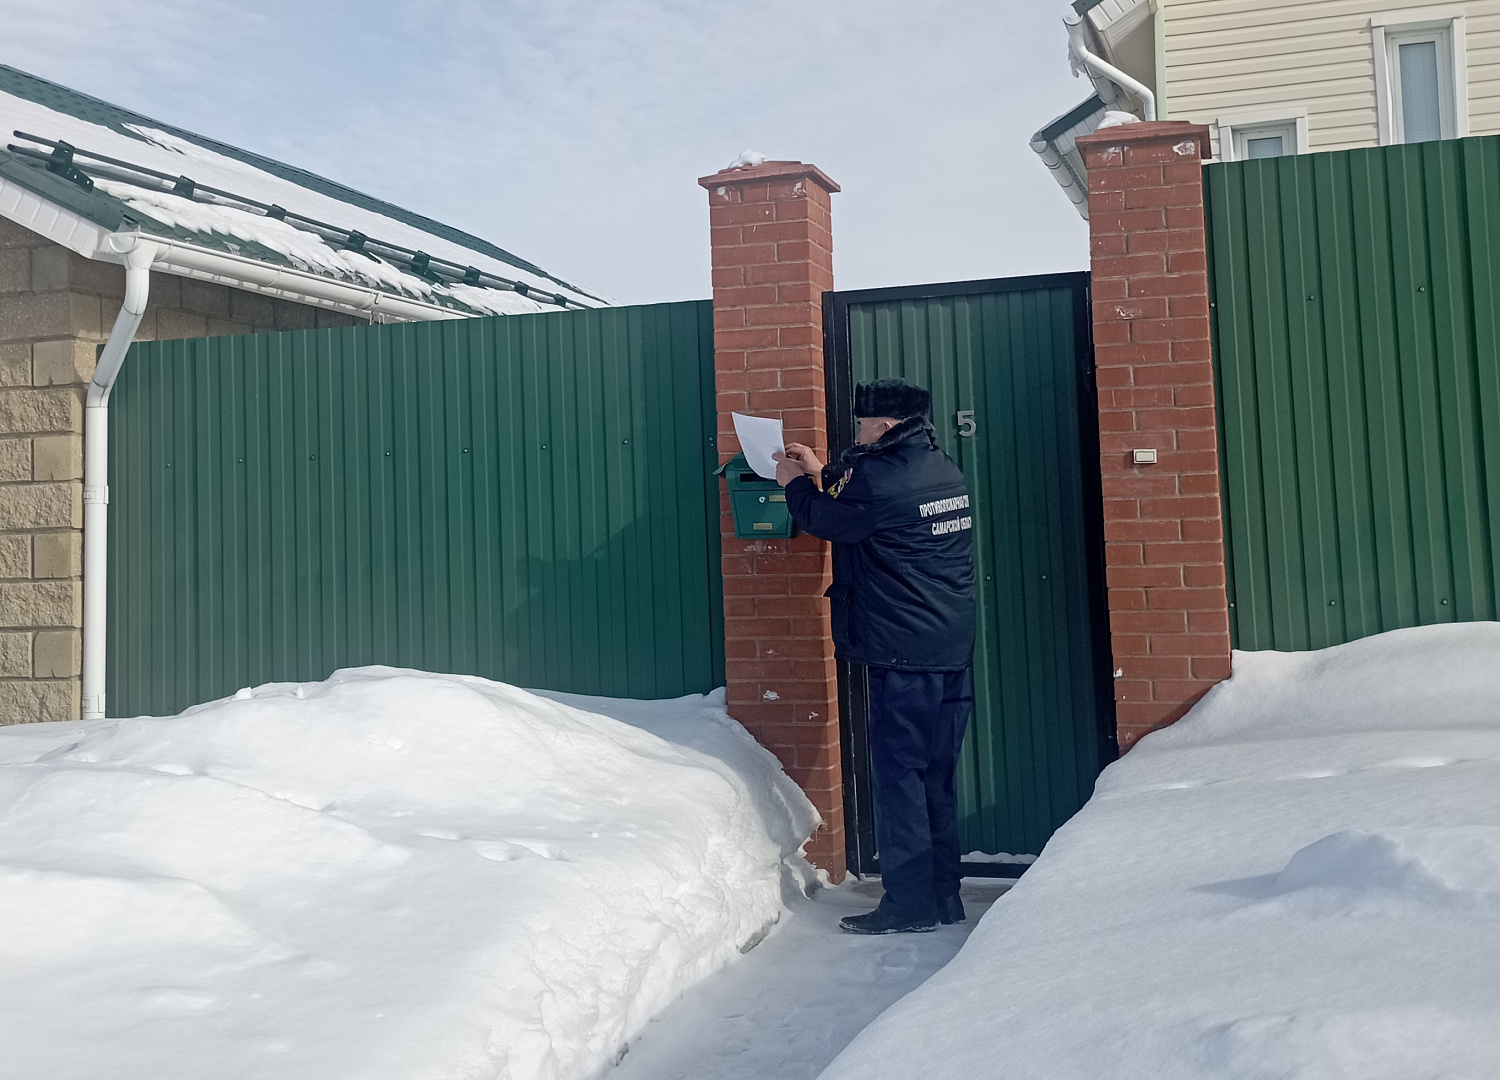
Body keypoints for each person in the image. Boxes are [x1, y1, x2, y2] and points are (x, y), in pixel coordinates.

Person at [774, 379, 976, 934]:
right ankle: (943, 895)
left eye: (862, 426)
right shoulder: (941, 466)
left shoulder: (879, 480)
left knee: (900, 779)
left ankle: (908, 905)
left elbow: (828, 519)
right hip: (949, 647)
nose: (856, 434)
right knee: (935, 775)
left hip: (903, 653)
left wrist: (795, 484)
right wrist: (822, 469)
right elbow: (870, 494)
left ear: (883, 427)